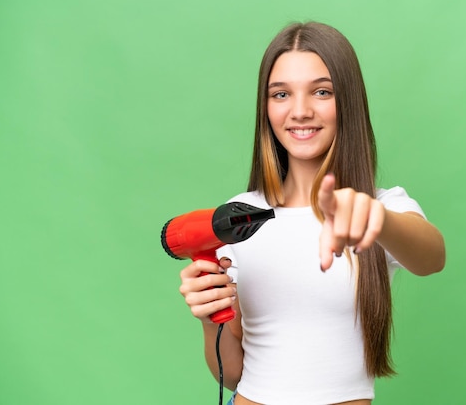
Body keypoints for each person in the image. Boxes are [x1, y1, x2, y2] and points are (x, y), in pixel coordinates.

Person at [178, 21, 446, 405]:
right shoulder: (237, 220)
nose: (300, 111)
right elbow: (234, 374)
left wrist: (376, 219)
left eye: (321, 91)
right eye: (281, 94)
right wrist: (209, 320)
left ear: (347, 103)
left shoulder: (382, 207)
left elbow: (431, 258)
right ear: (266, 107)